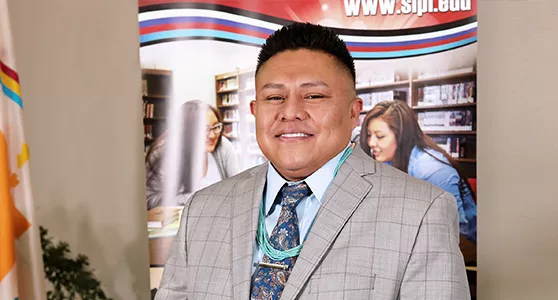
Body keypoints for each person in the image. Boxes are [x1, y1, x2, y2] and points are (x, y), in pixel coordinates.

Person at [155, 23, 470, 300]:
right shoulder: (204, 209)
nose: (290, 112)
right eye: (274, 97)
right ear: (254, 111)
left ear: (353, 111)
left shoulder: (421, 212)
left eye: (314, 96)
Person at [360, 100, 478, 246]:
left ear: (402, 136)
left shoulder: (431, 171)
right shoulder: (389, 159)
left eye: (380, 136)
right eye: (369, 135)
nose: (371, 143)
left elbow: (456, 234)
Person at [145, 100, 240, 210]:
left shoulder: (223, 147)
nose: (213, 134)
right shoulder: (164, 155)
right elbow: (149, 200)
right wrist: (198, 198)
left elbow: (237, 188)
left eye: (216, 127)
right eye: (205, 129)